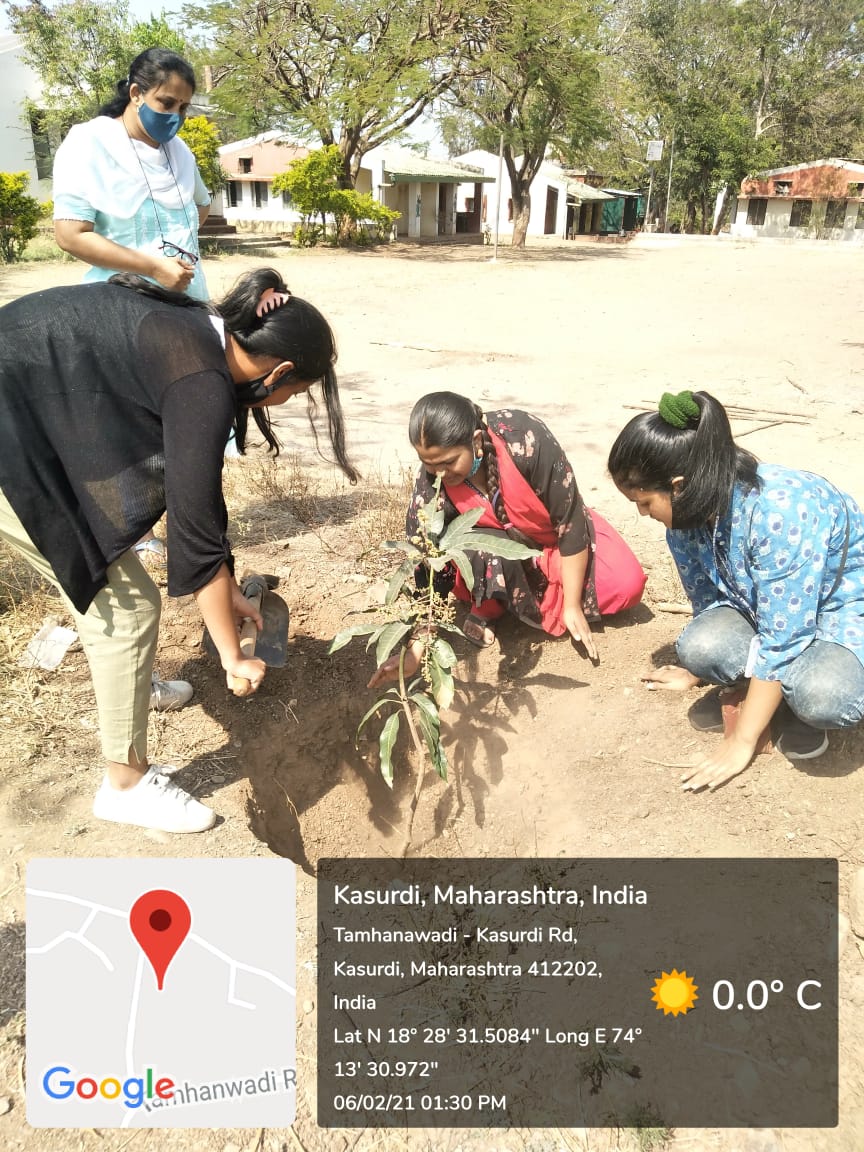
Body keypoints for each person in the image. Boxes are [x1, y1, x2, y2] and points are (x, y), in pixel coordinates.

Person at [0, 267, 357, 833]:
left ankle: (132, 683)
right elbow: (194, 532)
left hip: (25, 413)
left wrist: (230, 590)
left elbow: (203, 507)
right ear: (280, 372)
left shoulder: (198, 333)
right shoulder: (200, 381)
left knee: (114, 588)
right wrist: (231, 655)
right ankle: (125, 785)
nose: (287, 401)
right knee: (127, 606)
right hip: (10, 435)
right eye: (297, 392)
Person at [608, 389, 864, 792]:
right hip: (766, 610)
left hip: (837, 610)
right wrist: (696, 670)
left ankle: (781, 703)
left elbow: (784, 637)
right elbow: (707, 602)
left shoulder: (781, 511)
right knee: (699, 646)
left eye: (644, 502)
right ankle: (769, 694)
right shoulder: (686, 516)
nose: (642, 514)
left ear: (679, 486)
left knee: (824, 697)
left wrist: (742, 741)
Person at [53, 47, 215, 606]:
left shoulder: (181, 152)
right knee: (121, 427)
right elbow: (71, 233)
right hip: (119, 308)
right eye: (166, 103)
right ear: (136, 92)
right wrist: (149, 262)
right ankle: (129, 535)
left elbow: (199, 208)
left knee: (180, 423)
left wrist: (183, 258)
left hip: (184, 308)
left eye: (184, 108)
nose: (174, 116)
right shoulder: (89, 143)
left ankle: (183, 534)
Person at [370, 392, 646, 686]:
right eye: (428, 464)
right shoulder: (433, 487)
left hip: (553, 540)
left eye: (448, 462)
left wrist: (573, 605)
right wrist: (416, 649)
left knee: (625, 584)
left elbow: (570, 519)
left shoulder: (523, 438)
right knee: (474, 553)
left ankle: (523, 597)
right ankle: (491, 603)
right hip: (491, 556)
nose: (438, 474)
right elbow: (429, 563)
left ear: (476, 441)